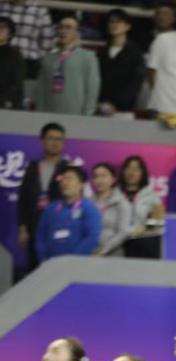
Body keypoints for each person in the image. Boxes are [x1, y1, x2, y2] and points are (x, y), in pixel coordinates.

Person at [17, 122, 68, 263]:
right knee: (35, 268)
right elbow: (23, 200)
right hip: (34, 227)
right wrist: (23, 229)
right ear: (42, 141)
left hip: (59, 228)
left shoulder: (68, 169)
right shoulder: (32, 168)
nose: (55, 143)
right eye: (51, 138)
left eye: (59, 139)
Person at [36, 13, 99, 116]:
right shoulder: (48, 58)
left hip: (77, 114)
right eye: (60, 27)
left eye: (68, 27)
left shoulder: (88, 57)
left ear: (77, 32)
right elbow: (41, 89)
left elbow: (92, 89)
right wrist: (40, 113)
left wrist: (87, 115)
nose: (63, 31)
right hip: (49, 113)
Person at [35, 166, 102, 262]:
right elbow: (40, 236)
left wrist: (71, 260)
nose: (65, 182)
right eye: (63, 179)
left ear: (81, 185)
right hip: (49, 264)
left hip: (76, 264)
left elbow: (92, 238)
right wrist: (43, 258)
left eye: (70, 178)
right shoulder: (51, 208)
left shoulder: (89, 208)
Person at [97, 8, 145, 115]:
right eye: (111, 21)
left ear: (127, 26)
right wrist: (99, 102)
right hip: (100, 106)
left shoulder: (135, 53)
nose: (114, 24)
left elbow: (135, 82)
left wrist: (117, 104)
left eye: (118, 21)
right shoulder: (102, 52)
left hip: (124, 109)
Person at [89, 163, 131, 257]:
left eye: (103, 176)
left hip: (111, 255)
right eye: (96, 176)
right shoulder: (87, 202)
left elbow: (123, 232)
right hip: (88, 254)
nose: (99, 180)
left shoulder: (121, 203)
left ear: (113, 179)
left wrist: (103, 251)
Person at [119, 155, 163, 235]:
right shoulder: (114, 194)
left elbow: (159, 221)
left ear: (142, 173)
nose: (132, 172)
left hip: (142, 238)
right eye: (128, 168)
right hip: (116, 240)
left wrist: (145, 228)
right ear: (123, 171)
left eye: (136, 169)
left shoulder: (152, 196)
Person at [0, 16, 24, 109]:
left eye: (3, 27)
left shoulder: (15, 55)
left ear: (10, 34)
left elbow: (16, 84)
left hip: (5, 103)